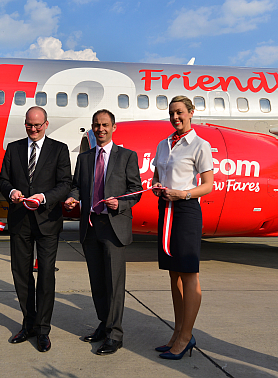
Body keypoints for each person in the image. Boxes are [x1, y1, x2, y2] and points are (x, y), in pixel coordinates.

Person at [64, 109, 142, 355]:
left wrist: (122, 204)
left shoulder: (127, 156)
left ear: (114, 127)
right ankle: (103, 325)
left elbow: (136, 190)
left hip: (114, 226)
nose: (101, 129)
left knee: (114, 284)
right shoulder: (85, 158)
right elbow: (77, 186)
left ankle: (115, 335)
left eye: (105, 125)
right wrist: (71, 198)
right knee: (97, 282)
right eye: (97, 125)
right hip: (90, 226)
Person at [0, 106, 71, 352]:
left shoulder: (59, 149)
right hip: (20, 221)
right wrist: (12, 192)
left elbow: (64, 184)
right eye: (29, 124)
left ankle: (43, 329)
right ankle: (28, 323)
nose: (33, 129)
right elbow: (3, 180)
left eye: (38, 125)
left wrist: (43, 197)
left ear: (46, 124)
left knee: (46, 276)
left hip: (47, 220)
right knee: (21, 274)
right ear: (25, 123)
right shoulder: (14, 148)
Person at [151, 95, 214, 360]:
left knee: (189, 274)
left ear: (190, 113)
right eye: (171, 114)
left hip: (186, 210)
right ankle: (177, 332)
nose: (175, 117)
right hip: (166, 209)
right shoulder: (163, 145)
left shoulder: (200, 145)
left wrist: (183, 194)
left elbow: (208, 185)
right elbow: (157, 176)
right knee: (173, 273)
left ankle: (187, 337)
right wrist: (157, 187)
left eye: (179, 113)